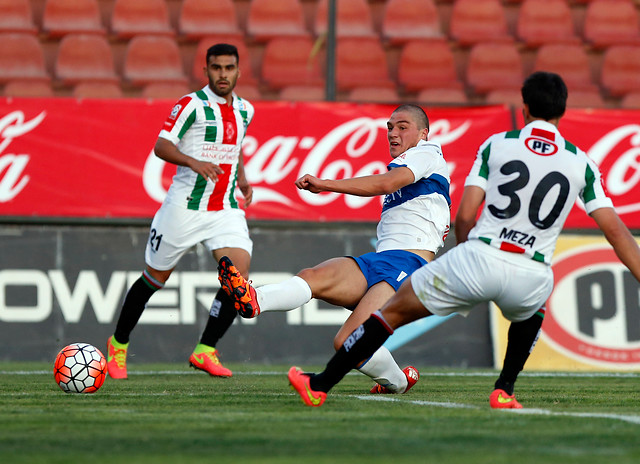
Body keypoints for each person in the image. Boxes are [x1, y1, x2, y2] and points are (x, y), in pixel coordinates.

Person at [286, 71, 640, 408]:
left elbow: (466, 213)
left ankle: (319, 385)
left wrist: (466, 256)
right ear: (563, 111)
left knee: (389, 314)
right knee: (533, 310)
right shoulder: (583, 163)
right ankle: (504, 389)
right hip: (532, 271)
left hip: (482, 258)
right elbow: (616, 233)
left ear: (525, 109)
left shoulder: (497, 145)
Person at [219, 104, 451, 394]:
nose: (393, 132)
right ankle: (256, 300)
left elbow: (388, 183)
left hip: (409, 265)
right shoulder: (413, 164)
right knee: (312, 276)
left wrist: (327, 184)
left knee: (349, 340)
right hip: (381, 260)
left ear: (423, 133)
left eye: (402, 126)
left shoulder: (427, 153)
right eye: (389, 127)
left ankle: (400, 382)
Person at [106, 43, 255, 379]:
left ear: (238, 71)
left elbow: (236, 147)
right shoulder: (191, 105)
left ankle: (205, 350)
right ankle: (118, 344)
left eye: (229, 68)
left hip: (225, 208)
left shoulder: (246, 109)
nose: (222, 74)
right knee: (153, 280)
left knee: (239, 278)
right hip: (184, 207)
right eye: (216, 68)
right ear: (206, 70)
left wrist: (243, 180)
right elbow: (161, 145)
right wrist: (192, 161)